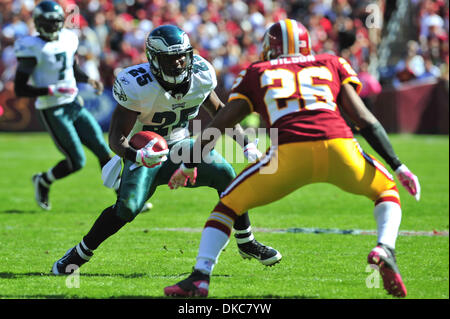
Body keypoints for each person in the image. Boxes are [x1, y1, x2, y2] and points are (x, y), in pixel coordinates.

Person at [164, 19, 421, 298]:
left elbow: (222, 121)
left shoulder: (258, 70)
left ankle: (201, 276)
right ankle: (385, 248)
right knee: (386, 191)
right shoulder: (330, 62)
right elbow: (365, 120)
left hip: (290, 153)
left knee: (227, 206)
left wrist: (189, 162)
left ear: (269, 48)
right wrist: (399, 165)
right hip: (340, 147)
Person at [51, 24, 281, 275]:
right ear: (154, 59)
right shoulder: (136, 84)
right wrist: (137, 155)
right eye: (171, 58)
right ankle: (77, 255)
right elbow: (116, 139)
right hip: (144, 149)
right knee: (126, 209)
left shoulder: (201, 74)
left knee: (226, 173)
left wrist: (246, 145)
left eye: (182, 55)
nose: (179, 62)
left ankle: (246, 242)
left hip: (181, 143)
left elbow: (220, 113)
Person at [13, 1, 114, 211]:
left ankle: (124, 197)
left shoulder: (68, 38)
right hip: (53, 109)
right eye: (48, 23)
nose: (52, 28)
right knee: (77, 161)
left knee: (103, 149)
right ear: (38, 23)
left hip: (74, 104)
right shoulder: (31, 46)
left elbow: (71, 67)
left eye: (55, 23)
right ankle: (43, 180)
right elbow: (21, 89)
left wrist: (88, 79)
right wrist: (51, 90)